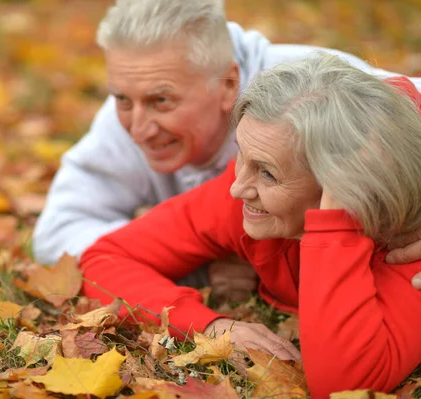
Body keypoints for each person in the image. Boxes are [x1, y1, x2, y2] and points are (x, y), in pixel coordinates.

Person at [79, 54, 421, 397]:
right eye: (241, 152)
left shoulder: (408, 241)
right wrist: (212, 326)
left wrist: (334, 226)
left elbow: (345, 386)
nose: (236, 188)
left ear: (344, 184)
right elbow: (106, 259)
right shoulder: (252, 188)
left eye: (268, 172)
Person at [33, 0, 421, 297]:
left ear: (228, 85)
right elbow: (57, 235)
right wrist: (195, 257)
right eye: (121, 99)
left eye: (162, 101)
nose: (138, 129)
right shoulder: (135, 98)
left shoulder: (315, 86)